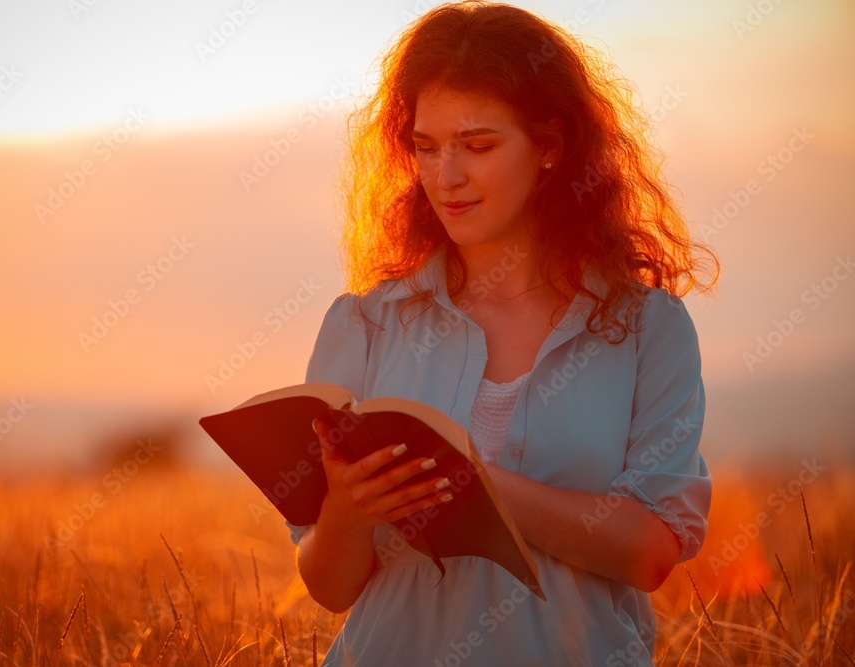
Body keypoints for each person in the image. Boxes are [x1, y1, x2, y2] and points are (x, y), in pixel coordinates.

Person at [286, 2, 718, 664]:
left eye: (478, 145)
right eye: (426, 147)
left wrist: (473, 481)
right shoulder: (365, 322)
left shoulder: (646, 329)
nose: (446, 177)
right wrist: (346, 511)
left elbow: (649, 549)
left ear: (550, 146)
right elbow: (331, 588)